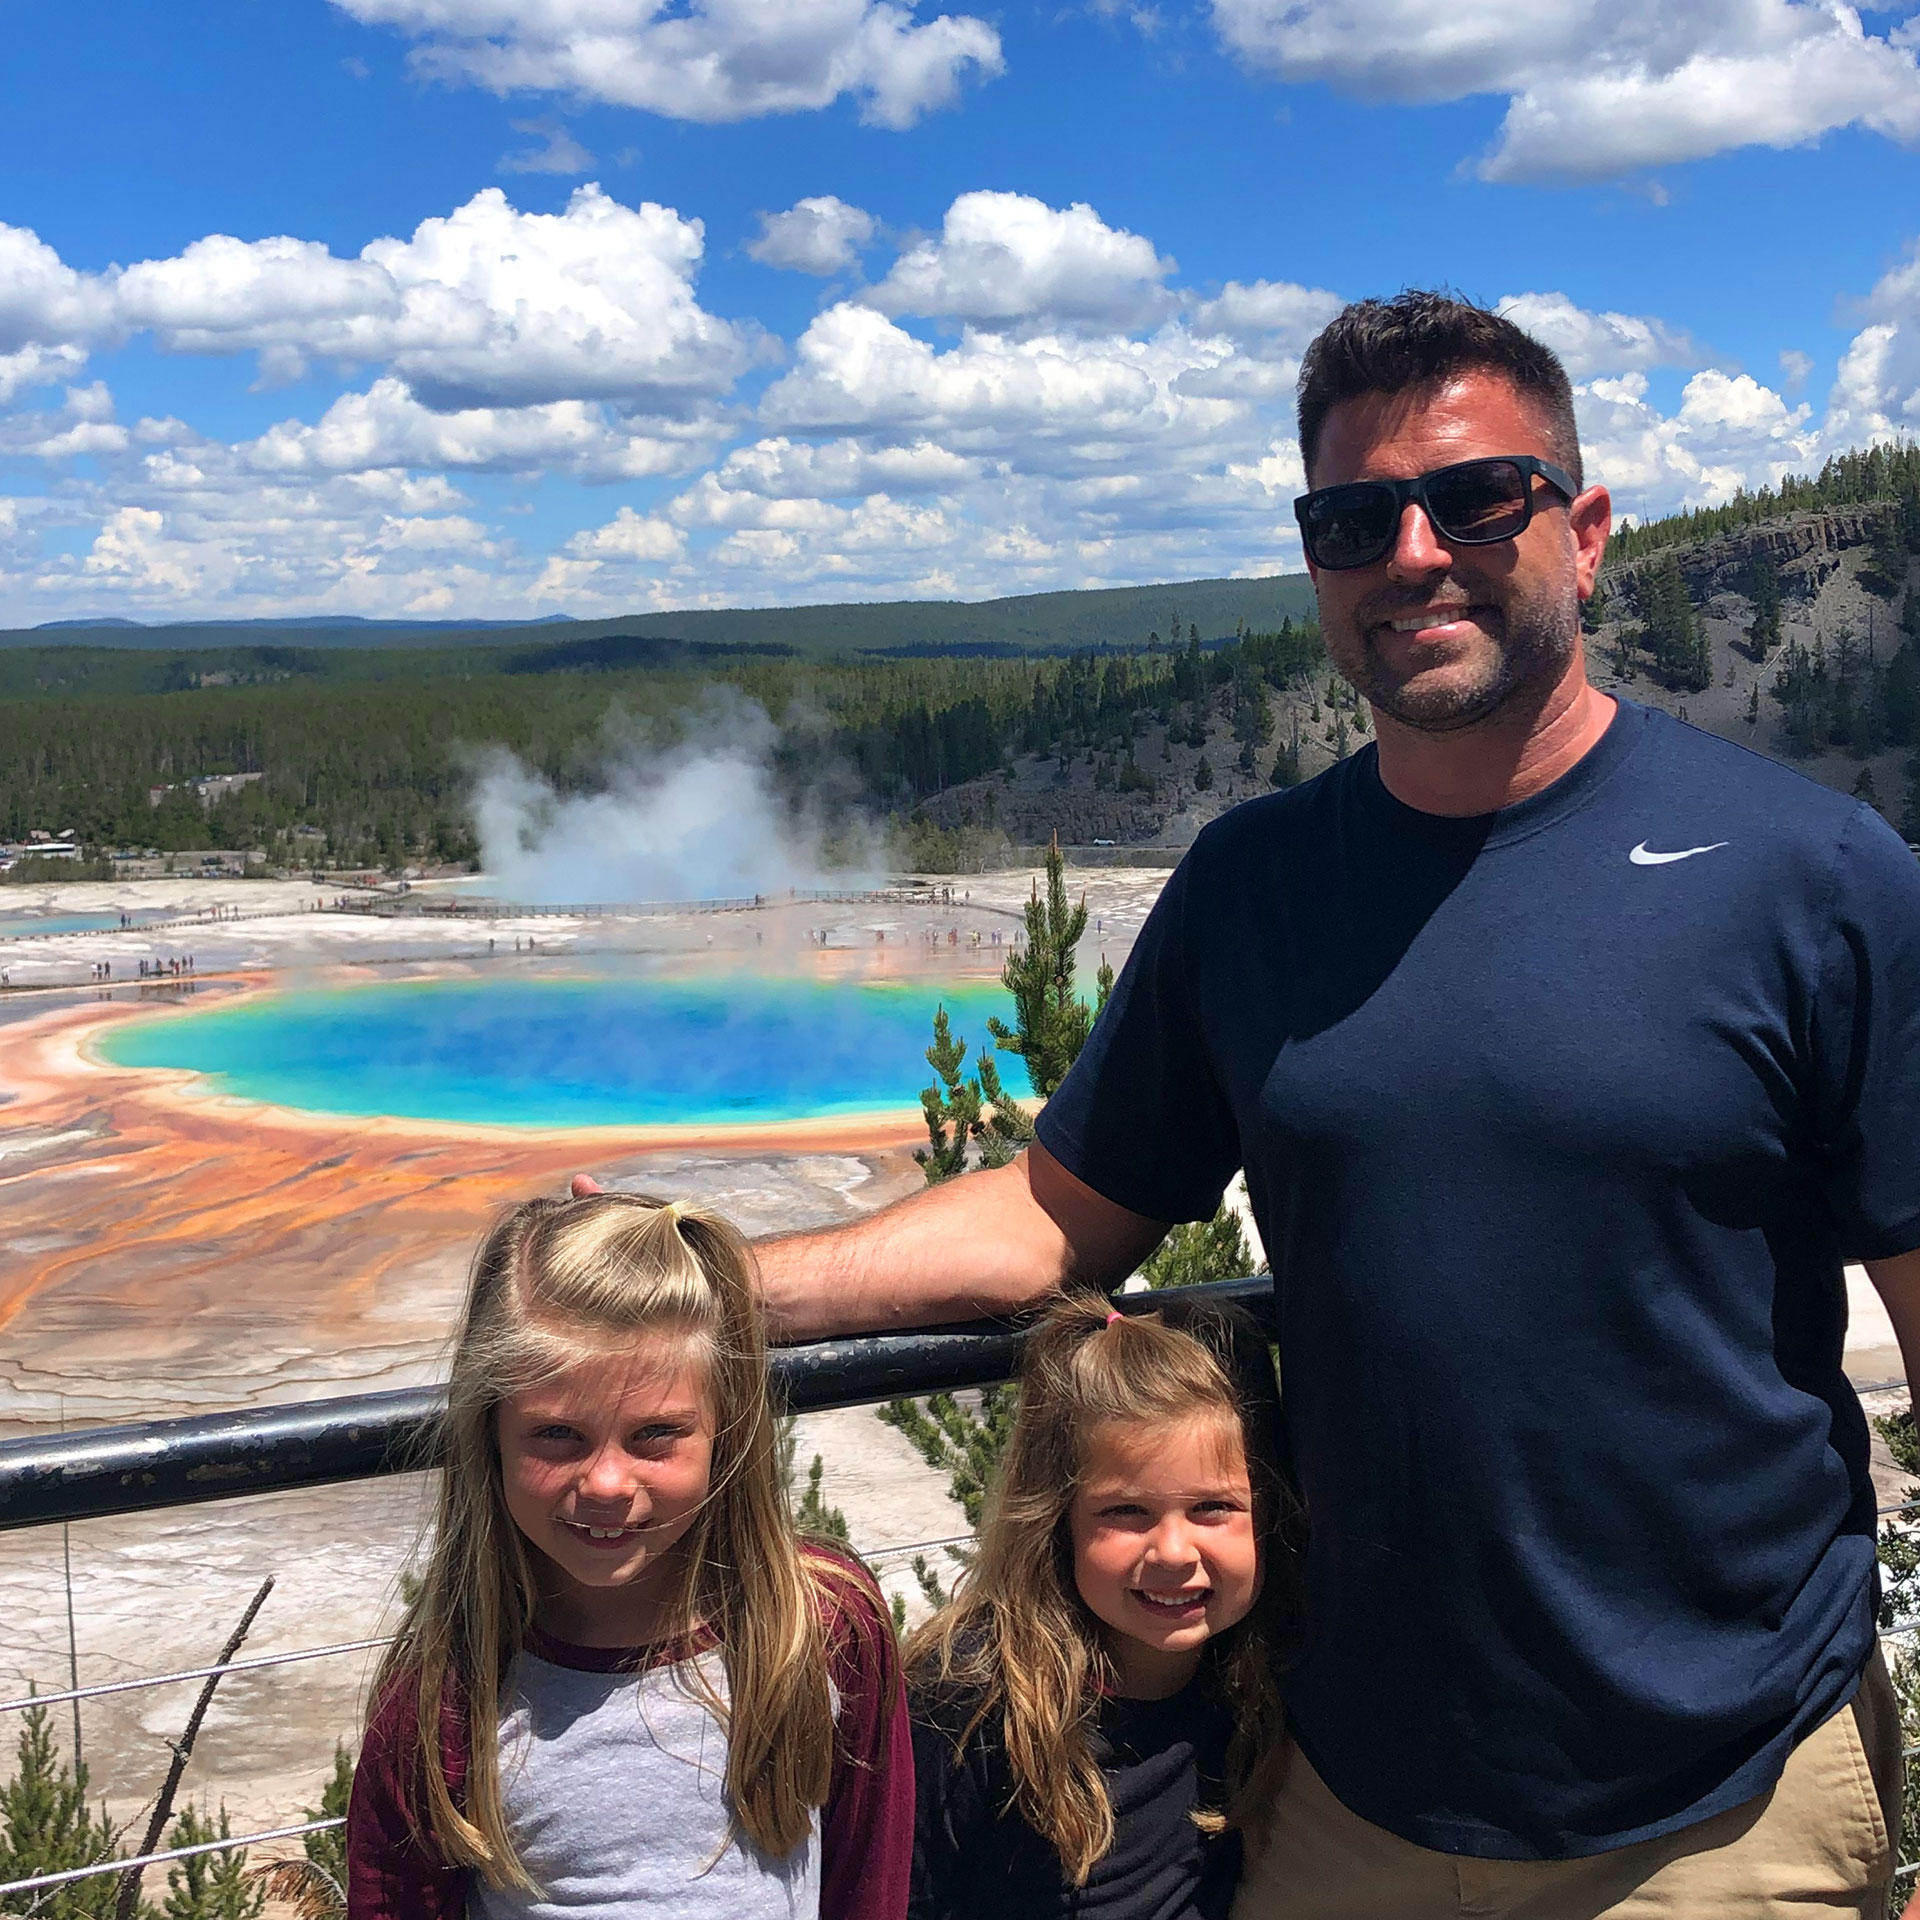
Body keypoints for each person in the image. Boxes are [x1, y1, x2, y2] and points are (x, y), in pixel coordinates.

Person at [733, 292, 1920, 1916]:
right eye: (1355, 518)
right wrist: (710, 1290)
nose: (1416, 551)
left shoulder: (1816, 879)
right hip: (1348, 1791)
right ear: (1315, 562)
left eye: (1479, 498)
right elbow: (1051, 1219)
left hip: (1721, 1805)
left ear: (1584, 531)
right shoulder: (1253, 889)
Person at [346, 1192, 911, 1920]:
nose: (607, 1484)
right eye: (556, 1435)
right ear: (490, 1436)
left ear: (727, 1432)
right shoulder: (442, 1695)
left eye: (655, 1434)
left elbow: (871, 1880)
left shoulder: (819, 1625)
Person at [907, 1297, 1291, 1920]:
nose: (1172, 1551)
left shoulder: (1257, 1678)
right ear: (1057, 1522)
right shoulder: (971, 1702)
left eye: (1212, 1508)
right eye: (1125, 1512)